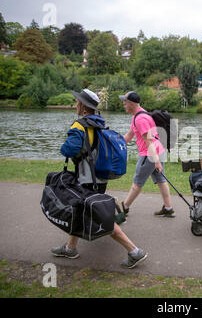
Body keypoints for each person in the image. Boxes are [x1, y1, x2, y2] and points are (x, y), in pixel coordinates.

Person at [50, 88, 148, 269]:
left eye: (77, 102)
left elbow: (68, 150)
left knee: (101, 217)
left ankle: (134, 252)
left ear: (83, 105)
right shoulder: (99, 122)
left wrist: (65, 146)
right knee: (79, 210)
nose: (76, 105)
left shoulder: (80, 125)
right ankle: (70, 248)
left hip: (87, 179)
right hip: (99, 178)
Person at [120, 91, 175, 217]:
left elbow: (148, 142)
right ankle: (168, 208)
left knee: (137, 183)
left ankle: (125, 207)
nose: (123, 104)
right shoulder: (138, 115)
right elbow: (129, 136)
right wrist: (114, 142)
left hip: (149, 154)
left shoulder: (141, 119)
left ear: (132, 103)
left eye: (125, 101)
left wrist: (156, 161)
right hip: (158, 150)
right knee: (161, 180)